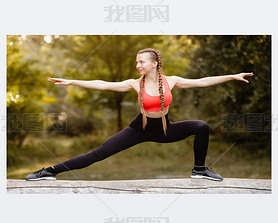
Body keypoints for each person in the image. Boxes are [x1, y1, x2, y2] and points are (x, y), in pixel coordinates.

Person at [25, 47, 253, 182]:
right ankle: (49, 171)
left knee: (201, 126)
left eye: (141, 62)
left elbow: (203, 81)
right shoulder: (134, 84)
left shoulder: (171, 81)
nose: (138, 65)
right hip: (139, 129)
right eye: (137, 62)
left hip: (165, 130)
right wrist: (72, 81)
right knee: (98, 154)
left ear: (154, 64)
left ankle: (199, 169)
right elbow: (103, 84)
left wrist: (232, 76)